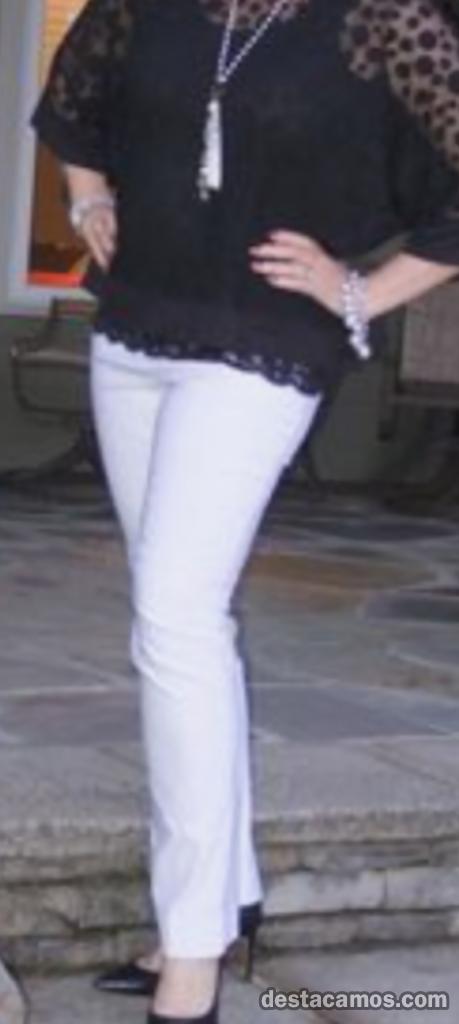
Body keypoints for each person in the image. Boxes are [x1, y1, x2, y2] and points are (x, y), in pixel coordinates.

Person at [31, 0, 459, 1021]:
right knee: (189, 626)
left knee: (173, 620)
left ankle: (191, 952)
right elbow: (71, 104)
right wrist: (87, 197)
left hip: (263, 344)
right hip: (134, 334)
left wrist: (360, 291)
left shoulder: (384, 19)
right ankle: (225, 896)